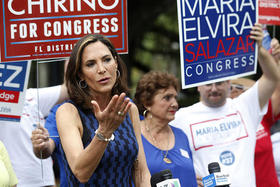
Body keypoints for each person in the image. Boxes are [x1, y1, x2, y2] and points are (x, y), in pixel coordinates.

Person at [170, 23, 280, 187]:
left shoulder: (245, 106)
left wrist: (261, 50)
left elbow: (272, 78)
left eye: (219, 82)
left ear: (229, 81)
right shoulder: (180, 118)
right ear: (197, 85)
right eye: (208, 84)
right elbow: (158, 147)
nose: (214, 89)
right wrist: (188, 177)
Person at [47, 34, 150, 186]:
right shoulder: (68, 112)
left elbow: (140, 171)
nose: (101, 69)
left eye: (107, 60)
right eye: (90, 64)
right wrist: (105, 131)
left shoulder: (129, 109)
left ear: (116, 62)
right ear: (80, 74)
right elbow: (81, 173)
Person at [0, 64, 68, 187]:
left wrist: (71, 55)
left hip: (45, 182)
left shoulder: (31, 96)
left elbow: (69, 90)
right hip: (13, 183)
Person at [229, 38, 280, 187]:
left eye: (239, 87)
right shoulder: (213, 122)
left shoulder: (260, 116)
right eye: (229, 87)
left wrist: (275, 61)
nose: (233, 91)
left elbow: (277, 89)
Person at [133, 71, 198, 187]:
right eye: (167, 98)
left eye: (175, 98)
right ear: (147, 102)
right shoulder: (133, 135)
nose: (175, 104)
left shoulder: (181, 135)